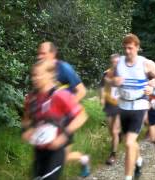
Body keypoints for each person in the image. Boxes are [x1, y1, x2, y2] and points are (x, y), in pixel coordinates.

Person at [106, 33, 155, 180]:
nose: (127, 51)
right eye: (125, 48)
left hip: (139, 104)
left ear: (137, 47)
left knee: (129, 142)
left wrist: (153, 86)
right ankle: (138, 161)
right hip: (123, 106)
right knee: (129, 141)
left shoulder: (145, 63)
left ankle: (128, 177)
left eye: (130, 48)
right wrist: (114, 81)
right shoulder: (118, 63)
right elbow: (108, 78)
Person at [21, 60, 88, 180]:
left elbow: (82, 116)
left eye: (38, 74)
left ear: (50, 75)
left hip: (56, 151)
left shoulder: (61, 95)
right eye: (33, 75)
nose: (34, 78)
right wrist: (26, 130)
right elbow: (26, 119)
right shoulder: (31, 98)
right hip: (39, 150)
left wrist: (64, 136)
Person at [36, 42, 90, 176]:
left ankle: (83, 159)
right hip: (48, 122)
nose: (39, 56)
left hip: (66, 120)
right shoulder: (39, 71)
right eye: (39, 53)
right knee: (50, 155)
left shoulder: (64, 68)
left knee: (60, 158)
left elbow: (82, 91)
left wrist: (66, 108)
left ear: (53, 54)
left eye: (43, 53)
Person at [99, 54, 121, 165]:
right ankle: (117, 137)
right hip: (109, 104)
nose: (115, 64)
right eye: (113, 62)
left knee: (114, 130)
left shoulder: (124, 73)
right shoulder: (106, 73)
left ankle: (113, 154)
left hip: (120, 105)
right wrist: (102, 98)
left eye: (117, 62)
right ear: (111, 62)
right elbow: (102, 86)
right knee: (110, 129)